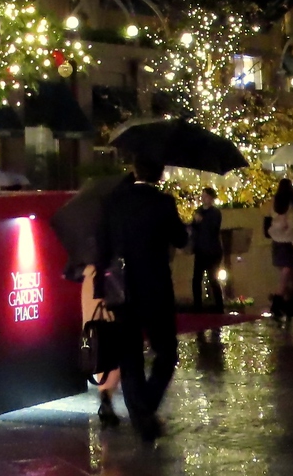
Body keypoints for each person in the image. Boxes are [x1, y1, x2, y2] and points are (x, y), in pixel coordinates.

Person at [99, 155, 188, 442]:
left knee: (130, 355)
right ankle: (145, 409)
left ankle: (141, 412)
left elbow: (103, 245)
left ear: (134, 169)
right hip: (155, 288)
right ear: (160, 174)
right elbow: (181, 240)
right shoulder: (163, 202)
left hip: (122, 287)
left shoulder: (114, 201)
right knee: (166, 351)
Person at [81, 262, 122, 424]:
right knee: (117, 342)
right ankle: (107, 396)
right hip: (112, 281)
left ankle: (105, 395)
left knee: (98, 341)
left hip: (91, 278)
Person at [265, 179, 293, 317]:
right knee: (289, 273)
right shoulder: (291, 206)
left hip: (276, 241)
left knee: (286, 273)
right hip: (288, 242)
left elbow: (267, 219)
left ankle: (288, 302)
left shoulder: (273, 203)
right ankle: (280, 299)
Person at [188, 188, 224, 312]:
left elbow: (213, 228)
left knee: (213, 279)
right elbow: (194, 227)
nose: (203, 198)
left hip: (212, 251)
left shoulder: (215, 213)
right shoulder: (198, 211)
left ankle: (219, 307)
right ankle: (197, 306)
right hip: (200, 250)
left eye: (206, 196)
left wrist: (202, 221)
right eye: (202, 196)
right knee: (196, 279)